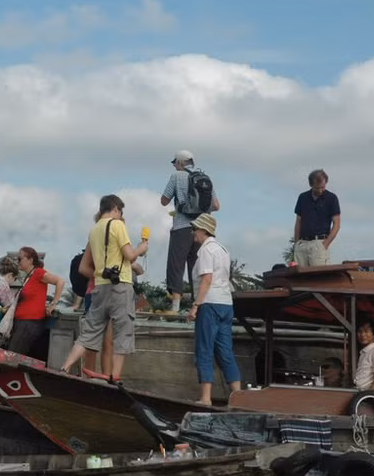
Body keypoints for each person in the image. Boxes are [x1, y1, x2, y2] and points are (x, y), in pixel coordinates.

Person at [60, 194, 149, 381]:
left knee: (90, 332)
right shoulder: (118, 225)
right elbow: (130, 255)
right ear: (115, 208)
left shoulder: (94, 230)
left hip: (100, 287)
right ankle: (114, 376)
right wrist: (142, 247)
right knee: (122, 333)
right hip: (121, 286)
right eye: (120, 211)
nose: (120, 215)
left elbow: (84, 267)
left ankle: (65, 367)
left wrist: (101, 273)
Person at [186, 214, 241, 405]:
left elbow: (206, 280)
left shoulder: (206, 251)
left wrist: (195, 306)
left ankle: (205, 398)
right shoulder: (223, 250)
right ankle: (238, 397)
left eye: (195, 229)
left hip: (209, 304)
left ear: (203, 231)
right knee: (225, 351)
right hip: (226, 304)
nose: (193, 233)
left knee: (204, 349)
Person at [160, 150, 220, 314]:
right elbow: (216, 205)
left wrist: (183, 207)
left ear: (180, 163)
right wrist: (199, 210)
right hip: (201, 230)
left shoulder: (176, 177)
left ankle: (175, 307)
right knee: (197, 267)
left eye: (175, 163)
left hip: (181, 227)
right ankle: (198, 306)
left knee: (176, 266)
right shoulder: (205, 178)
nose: (174, 166)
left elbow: (164, 201)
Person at [8, 247, 64, 359]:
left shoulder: (38, 273)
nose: (18, 261)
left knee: (12, 356)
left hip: (29, 324)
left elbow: (60, 281)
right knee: (15, 355)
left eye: (20, 258)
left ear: (30, 260)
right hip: (22, 323)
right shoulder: (28, 277)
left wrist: (53, 303)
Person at [292, 169, 340, 267]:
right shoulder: (303, 197)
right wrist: (296, 244)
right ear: (311, 185)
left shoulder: (331, 198)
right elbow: (298, 221)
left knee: (319, 278)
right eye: (317, 188)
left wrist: (325, 244)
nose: (320, 190)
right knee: (300, 278)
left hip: (319, 243)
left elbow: (336, 224)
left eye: (323, 187)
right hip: (302, 243)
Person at [353, 317, 374, 391]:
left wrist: (368, 395)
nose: (362, 335)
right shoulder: (364, 352)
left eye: (366, 331)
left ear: (373, 334)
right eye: (359, 332)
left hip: (365, 395)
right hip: (359, 392)